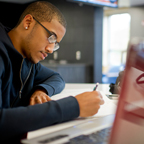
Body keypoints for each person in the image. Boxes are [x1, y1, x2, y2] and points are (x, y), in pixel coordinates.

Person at [0, 1, 104, 143]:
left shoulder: (29, 61)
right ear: (28, 22)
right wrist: (74, 106)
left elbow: (56, 78)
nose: (50, 49)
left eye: (55, 43)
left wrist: (41, 90)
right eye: (51, 37)